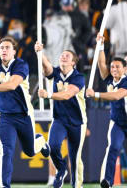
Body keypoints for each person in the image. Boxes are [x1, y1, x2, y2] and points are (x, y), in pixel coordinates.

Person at [0, 25, 50, 188]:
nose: (3, 50)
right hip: (4, 116)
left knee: (30, 151)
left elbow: (11, 85)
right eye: (1, 48)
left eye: (7, 48)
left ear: (14, 52)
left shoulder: (21, 65)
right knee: (6, 151)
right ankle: (5, 185)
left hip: (23, 114)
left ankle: (41, 142)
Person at [35, 41, 87, 188]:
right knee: (52, 146)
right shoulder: (56, 72)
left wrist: (48, 94)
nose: (63, 57)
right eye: (62, 55)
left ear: (73, 62)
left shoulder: (78, 77)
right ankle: (61, 169)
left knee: (75, 156)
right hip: (59, 119)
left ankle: (77, 184)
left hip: (77, 122)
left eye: (67, 56)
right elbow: (47, 67)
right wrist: (40, 53)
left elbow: (66, 95)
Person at [86, 34, 127, 188]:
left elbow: (116, 96)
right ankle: (108, 181)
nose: (114, 69)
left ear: (125, 69)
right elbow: (101, 63)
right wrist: (100, 45)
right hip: (118, 123)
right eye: (113, 66)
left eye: (117, 67)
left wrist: (95, 94)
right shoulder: (110, 78)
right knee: (113, 147)